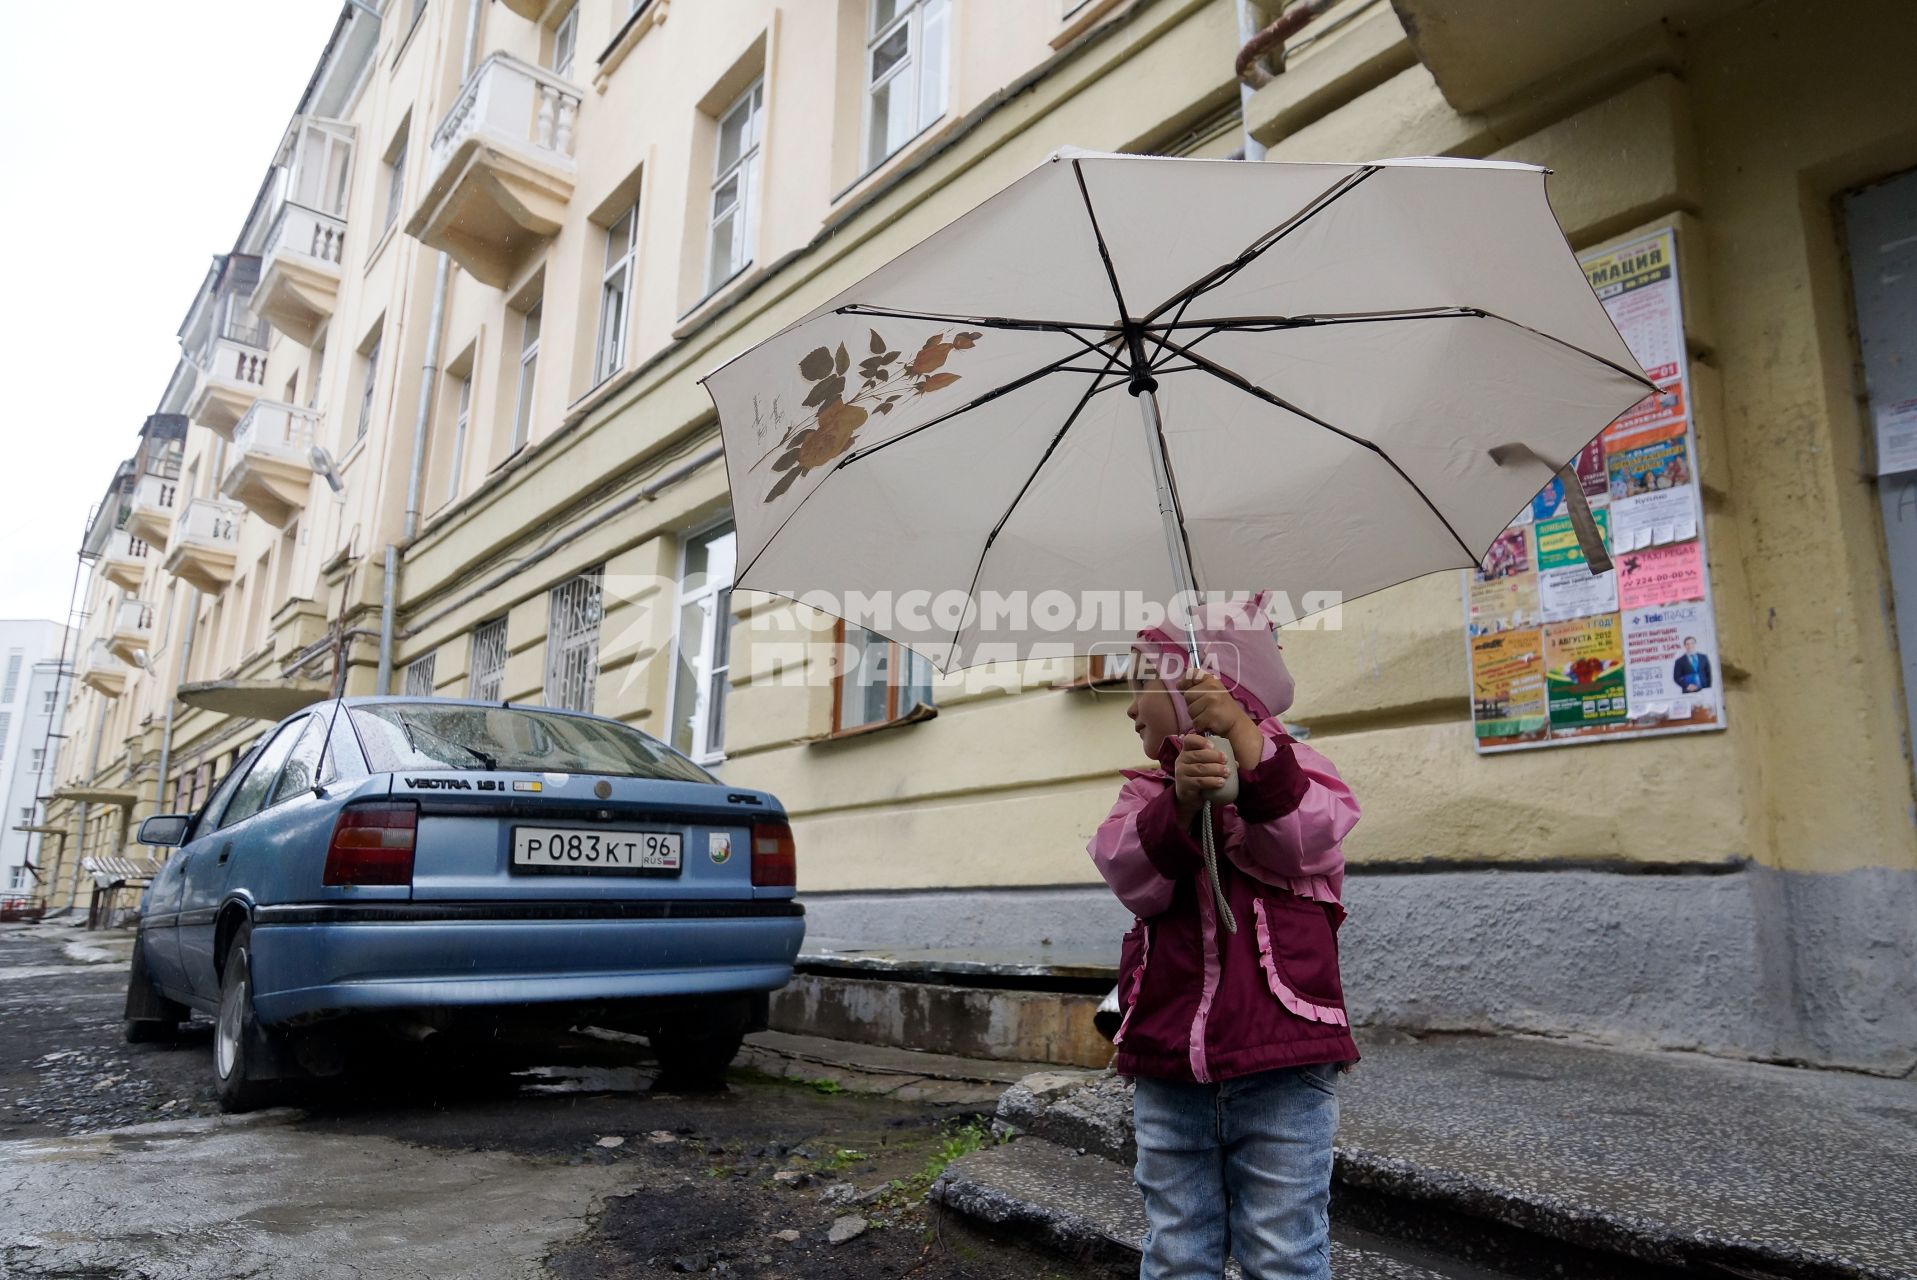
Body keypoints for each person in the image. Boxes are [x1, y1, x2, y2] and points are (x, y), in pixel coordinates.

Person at [1089, 596, 1361, 1280]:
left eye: (1140, 683)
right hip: (1167, 1057)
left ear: (1198, 686)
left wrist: (1244, 742)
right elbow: (1132, 877)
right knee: (1178, 1243)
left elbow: (1304, 842)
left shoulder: (1302, 771)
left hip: (1281, 1054)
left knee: (1283, 1246)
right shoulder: (1142, 796)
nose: (1128, 708)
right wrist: (1176, 803)